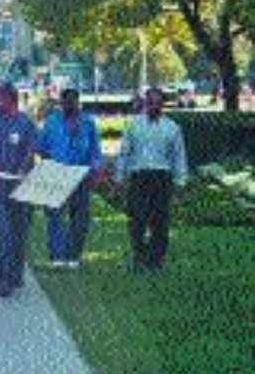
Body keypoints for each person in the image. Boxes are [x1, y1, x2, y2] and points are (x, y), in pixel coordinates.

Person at [114, 87, 187, 273]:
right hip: (139, 177)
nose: (154, 106)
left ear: (163, 105)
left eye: (158, 102)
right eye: (150, 102)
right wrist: (118, 178)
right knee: (136, 220)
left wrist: (180, 182)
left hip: (161, 178)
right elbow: (124, 153)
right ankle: (139, 258)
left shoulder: (171, 127)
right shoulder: (133, 125)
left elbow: (178, 156)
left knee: (160, 222)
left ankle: (156, 261)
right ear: (145, 103)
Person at [0, 83, 37, 298]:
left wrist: (22, 170)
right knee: (2, 234)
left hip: (20, 189)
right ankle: (3, 278)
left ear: (12, 100)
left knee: (18, 234)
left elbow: (31, 152)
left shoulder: (26, 124)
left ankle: (16, 272)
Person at [38, 88, 103, 269]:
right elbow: (42, 147)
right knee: (54, 217)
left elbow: (95, 150)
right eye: (66, 102)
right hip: (56, 172)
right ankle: (57, 256)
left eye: (72, 102)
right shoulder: (51, 122)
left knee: (80, 218)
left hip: (80, 174)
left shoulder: (88, 123)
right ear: (61, 103)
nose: (69, 105)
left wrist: (95, 171)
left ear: (78, 102)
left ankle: (73, 255)